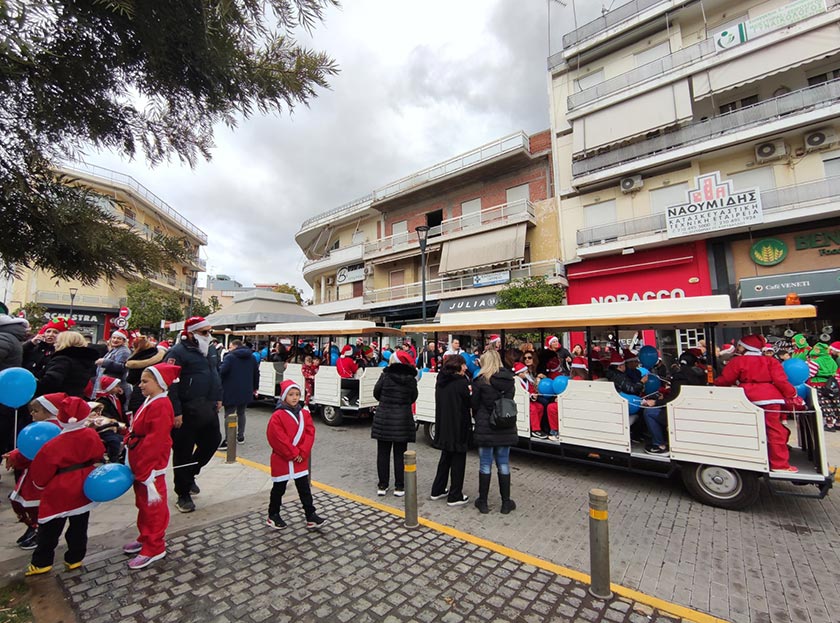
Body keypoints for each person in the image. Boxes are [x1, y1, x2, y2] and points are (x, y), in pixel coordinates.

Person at [25, 397, 105, 576]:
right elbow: (99, 453)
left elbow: (41, 472)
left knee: (49, 529)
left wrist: (39, 485)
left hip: (60, 489)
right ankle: (75, 558)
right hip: (84, 485)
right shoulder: (91, 434)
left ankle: (41, 562)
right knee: (79, 525)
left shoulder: (52, 444)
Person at [121, 363, 178, 569]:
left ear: (159, 383)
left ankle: (154, 546)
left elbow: (156, 440)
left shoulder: (161, 405)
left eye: (145, 381)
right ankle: (146, 536)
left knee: (153, 507)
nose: (140, 385)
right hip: (142, 462)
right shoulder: (151, 400)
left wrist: (146, 468)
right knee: (143, 504)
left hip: (151, 466)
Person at [714, 334, 799, 472]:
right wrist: (792, 394)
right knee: (774, 430)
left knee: (747, 429)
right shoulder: (771, 361)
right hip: (772, 399)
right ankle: (779, 464)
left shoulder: (738, 361)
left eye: (740, 345)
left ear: (745, 347)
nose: (738, 347)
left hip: (747, 399)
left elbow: (726, 380)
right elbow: (781, 381)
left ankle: (753, 456)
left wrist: (714, 383)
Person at [165, 316, 223, 513]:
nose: (209, 336)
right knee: (182, 451)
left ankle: (190, 474)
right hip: (186, 409)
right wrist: (176, 411)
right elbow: (170, 383)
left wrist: (218, 397)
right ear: (191, 334)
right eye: (205, 332)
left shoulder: (210, 350)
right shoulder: (177, 352)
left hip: (208, 406)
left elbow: (215, 374)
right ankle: (183, 493)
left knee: (213, 441)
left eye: (210, 332)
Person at [3, 393, 66, 550]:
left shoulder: (49, 429)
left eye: (36, 411)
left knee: (34, 505)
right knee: (23, 501)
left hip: (41, 477)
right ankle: (34, 527)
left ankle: (38, 530)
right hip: (34, 474)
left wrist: (15, 456)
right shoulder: (46, 427)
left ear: (49, 412)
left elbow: (34, 451)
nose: (32, 414)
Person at [266, 380, 325, 530]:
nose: (294, 397)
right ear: (284, 396)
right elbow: (277, 437)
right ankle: (273, 515)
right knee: (279, 488)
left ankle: (310, 515)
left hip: (300, 458)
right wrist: (293, 453)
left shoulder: (304, 414)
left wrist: (303, 452)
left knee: (304, 488)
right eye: (291, 394)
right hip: (283, 458)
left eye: (297, 394)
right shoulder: (277, 416)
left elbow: (310, 433)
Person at [471, 349, 518, 514]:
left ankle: (483, 502)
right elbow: (510, 400)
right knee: (503, 464)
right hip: (505, 426)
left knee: (485, 464)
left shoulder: (480, 381)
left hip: (486, 426)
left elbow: (474, 404)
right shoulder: (509, 381)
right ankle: (506, 503)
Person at [371, 350, 418, 497]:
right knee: (400, 454)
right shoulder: (410, 378)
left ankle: (382, 485)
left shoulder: (385, 376)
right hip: (402, 419)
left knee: (383, 454)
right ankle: (399, 486)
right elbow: (413, 397)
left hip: (384, 417)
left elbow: (376, 393)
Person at [641, 351, 707, 454]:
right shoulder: (703, 375)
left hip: (681, 412)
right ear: (695, 363)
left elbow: (675, 399)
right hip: (697, 409)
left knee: (649, 413)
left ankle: (659, 445)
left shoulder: (680, 377)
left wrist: (655, 402)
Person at [429, 354, 472, 506]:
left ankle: (438, 489)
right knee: (458, 461)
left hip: (444, 425)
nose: (466, 368)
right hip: (458, 426)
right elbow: (468, 402)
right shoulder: (461, 383)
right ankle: (455, 495)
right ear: (457, 366)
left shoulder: (441, 381)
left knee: (445, 458)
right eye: (464, 365)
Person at [219, 339, 260, 446]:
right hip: (246, 389)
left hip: (230, 389)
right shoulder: (251, 357)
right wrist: (255, 387)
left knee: (229, 414)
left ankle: (229, 439)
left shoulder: (230, 357)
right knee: (241, 413)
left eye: (230, 346)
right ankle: (240, 436)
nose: (229, 348)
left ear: (235, 346)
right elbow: (256, 373)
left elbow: (222, 372)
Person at [36, 331, 99, 398]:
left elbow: (50, 382)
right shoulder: (86, 360)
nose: (54, 344)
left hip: (55, 400)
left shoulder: (62, 359)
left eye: (57, 342)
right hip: (74, 400)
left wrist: (34, 384)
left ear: (64, 343)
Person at [513, 362, 557, 440]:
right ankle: (535, 429)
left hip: (528, 400)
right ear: (520, 374)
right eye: (525, 372)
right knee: (532, 408)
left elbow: (531, 390)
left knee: (540, 407)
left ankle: (535, 427)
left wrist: (534, 395)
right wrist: (530, 396)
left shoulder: (527, 382)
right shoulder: (517, 382)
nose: (527, 373)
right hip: (523, 401)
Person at [124, 335, 167, 416]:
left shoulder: (136, 359)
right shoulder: (160, 355)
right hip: (157, 391)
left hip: (140, 393)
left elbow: (130, 379)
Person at [92, 375, 128, 462]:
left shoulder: (115, 397)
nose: (118, 388)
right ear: (109, 387)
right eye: (116, 386)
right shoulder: (102, 400)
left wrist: (122, 395)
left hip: (117, 422)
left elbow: (122, 404)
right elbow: (104, 414)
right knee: (114, 440)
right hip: (108, 426)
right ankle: (113, 458)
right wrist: (113, 421)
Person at [806, 342, 840, 431]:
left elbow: (810, 374)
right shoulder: (831, 360)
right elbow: (836, 372)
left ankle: (829, 424)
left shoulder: (815, 361)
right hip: (832, 384)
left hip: (819, 384)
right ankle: (838, 423)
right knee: (836, 402)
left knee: (825, 403)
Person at [94, 330, 131, 396]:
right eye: (114, 338)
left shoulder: (124, 351)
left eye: (119, 338)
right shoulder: (115, 349)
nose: (115, 340)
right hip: (109, 386)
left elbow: (122, 367)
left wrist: (104, 361)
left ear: (124, 341)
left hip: (115, 387)